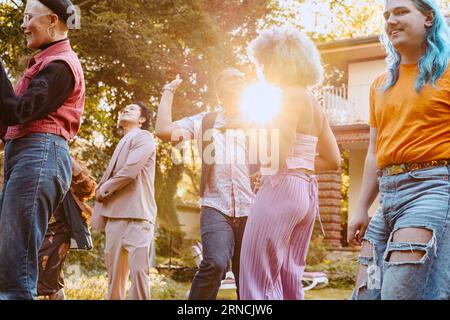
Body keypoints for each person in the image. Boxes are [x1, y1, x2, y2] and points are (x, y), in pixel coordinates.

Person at [348, 0, 450, 300]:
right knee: (366, 292)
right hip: (387, 198)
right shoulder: (380, 84)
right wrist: (361, 208)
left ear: (429, 18)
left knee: (398, 293)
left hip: (430, 190)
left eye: (402, 11)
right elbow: (373, 152)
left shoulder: (446, 73)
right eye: (387, 15)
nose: (391, 20)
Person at [239, 25, 341, 300]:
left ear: (277, 61)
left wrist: (264, 163)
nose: (263, 69)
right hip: (306, 193)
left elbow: (279, 151)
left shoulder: (288, 97)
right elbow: (333, 160)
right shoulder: (314, 103)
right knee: (288, 275)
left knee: (256, 273)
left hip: (281, 189)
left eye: (264, 62)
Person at [0, 0, 84, 300]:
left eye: (27, 17)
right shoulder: (45, 63)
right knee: (8, 259)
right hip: (26, 154)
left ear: (51, 21)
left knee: (15, 270)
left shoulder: (60, 66)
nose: (23, 25)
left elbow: (18, 111)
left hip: (40, 154)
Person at [155, 68, 258, 300]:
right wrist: (168, 91)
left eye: (242, 77)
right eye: (232, 76)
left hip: (252, 209)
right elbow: (163, 130)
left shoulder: (259, 121)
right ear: (219, 89)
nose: (239, 78)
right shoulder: (205, 121)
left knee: (248, 273)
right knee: (215, 263)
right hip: (215, 206)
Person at [92, 102, 157, 300]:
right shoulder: (123, 141)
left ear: (142, 119)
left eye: (131, 109)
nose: (125, 110)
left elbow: (129, 171)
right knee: (114, 277)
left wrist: (103, 189)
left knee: (139, 273)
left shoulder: (144, 137)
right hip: (114, 216)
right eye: (123, 109)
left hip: (138, 216)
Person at [38, 157, 96, 300]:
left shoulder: (63, 157)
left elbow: (86, 186)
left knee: (52, 281)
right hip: (37, 228)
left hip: (57, 230)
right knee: (35, 278)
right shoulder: (30, 156)